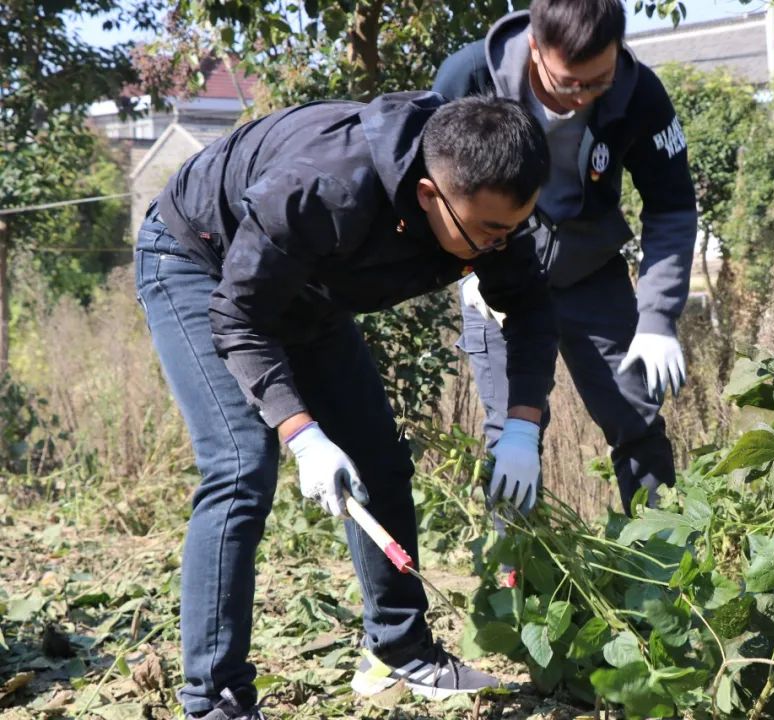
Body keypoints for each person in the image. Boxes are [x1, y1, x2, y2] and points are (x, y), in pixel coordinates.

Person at [134, 91, 555, 719]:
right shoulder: (326, 187)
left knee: (377, 458)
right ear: (428, 195)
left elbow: (528, 305)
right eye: (488, 233)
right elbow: (239, 316)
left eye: (512, 229)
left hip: (309, 288)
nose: (500, 246)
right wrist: (301, 433)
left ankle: (399, 653)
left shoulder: (493, 208)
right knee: (241, 467)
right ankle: (214, 700)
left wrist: (523, 424)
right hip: (200, 261)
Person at [433, 0, 698, 515]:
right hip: (493, 276)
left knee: (636, 416)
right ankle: (520, 580)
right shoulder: (468, 77)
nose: (582, 99)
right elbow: (426, 187)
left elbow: (671, 206)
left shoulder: (638, 90)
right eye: (569, 83)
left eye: (597, 83)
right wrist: (463, 267)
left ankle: (667, 564)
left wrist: (658, 317)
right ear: (536, 46)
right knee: (511, 435)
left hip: (589, 272)